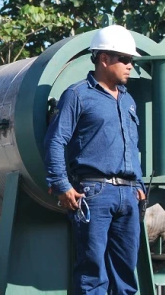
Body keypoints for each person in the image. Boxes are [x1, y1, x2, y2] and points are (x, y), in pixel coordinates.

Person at [44, 25, 147, 295]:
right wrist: (61, 184)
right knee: (93, 274)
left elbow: (131, 145)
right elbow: (56, 140)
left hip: (127, 195)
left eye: (131, 60)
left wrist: (138, 184)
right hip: (94, 193)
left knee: (126, 275)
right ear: (103, 59)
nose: (130, 65)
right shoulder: (78, 95)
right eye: (124, 59)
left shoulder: (128, 101)